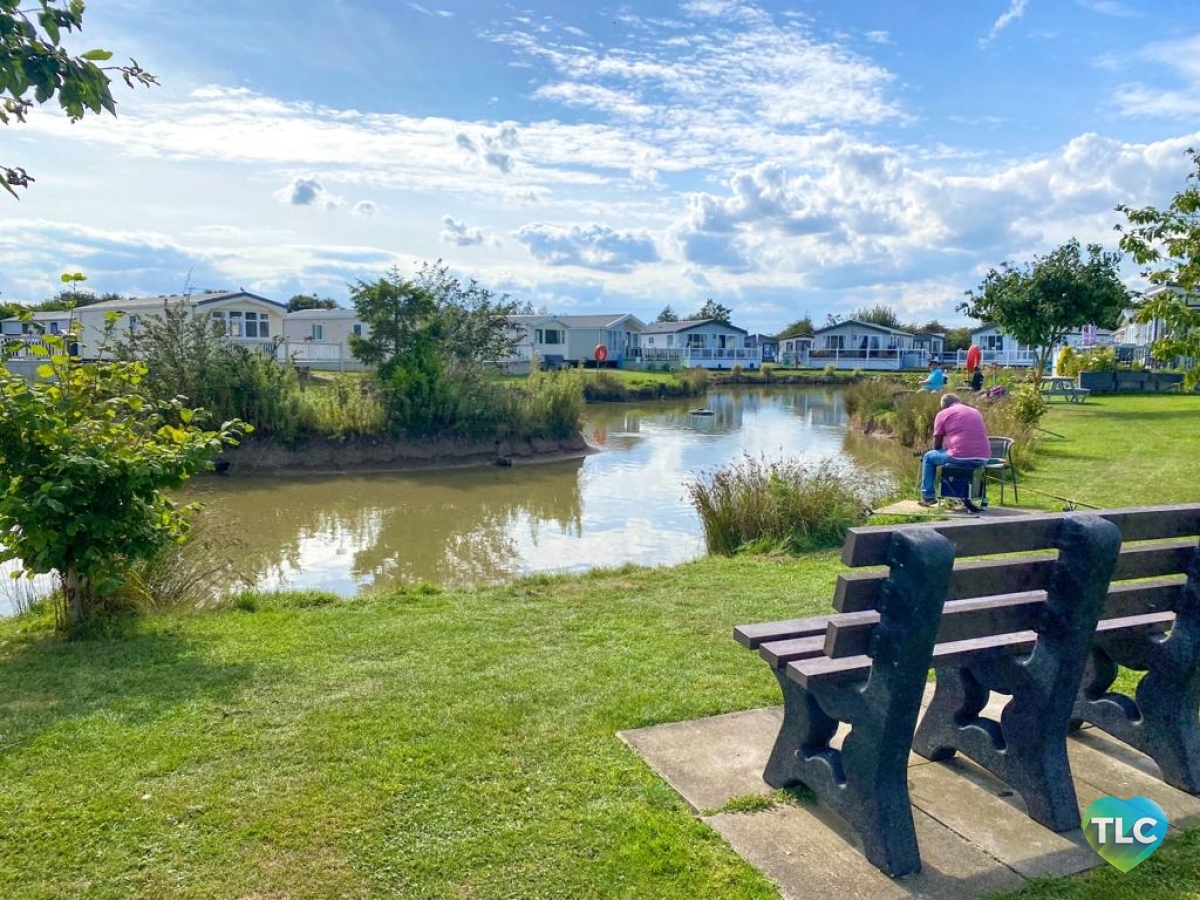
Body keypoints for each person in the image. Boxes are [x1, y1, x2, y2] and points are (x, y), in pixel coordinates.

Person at [918, 394, 991, 507]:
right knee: (954, 458)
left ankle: (928, 497)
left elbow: (937, 445)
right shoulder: (975, 411)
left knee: (928, 457)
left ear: (944, 406)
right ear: (958, 401)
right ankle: (957, 497)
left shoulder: (943, 414)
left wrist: (944, 450)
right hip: (983, 458)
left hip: (959, 456)